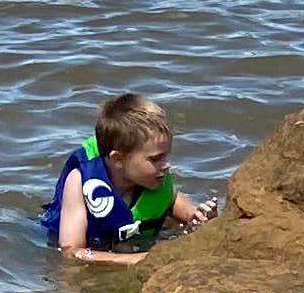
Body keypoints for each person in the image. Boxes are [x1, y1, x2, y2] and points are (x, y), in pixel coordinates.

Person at [39, 92, 224, 264]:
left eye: (166, 156)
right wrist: (136, 260)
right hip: (87, 245)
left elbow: (173, 202)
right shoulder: (79, 181)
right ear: (118, 159)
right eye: (156, 159)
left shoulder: (155, 180)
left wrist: (202, 220)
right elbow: (72, 252)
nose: (167, 165)